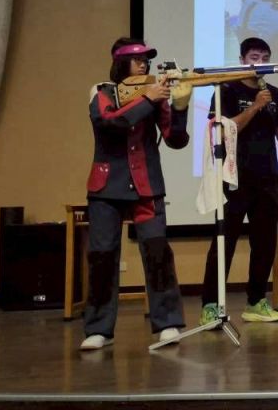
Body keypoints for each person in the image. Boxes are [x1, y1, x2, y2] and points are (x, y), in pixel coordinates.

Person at [80, 38, 193, 350]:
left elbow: (175, 139)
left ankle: (168, 322)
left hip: (147, 185)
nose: (144, 64)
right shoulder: (102, 91)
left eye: (146, 59)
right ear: (121, 63)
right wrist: (148, 98)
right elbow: (108, 122)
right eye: (137, 59)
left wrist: (180, 107)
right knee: (102, 256)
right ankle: (98, 328)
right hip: (106, 187)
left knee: (157, 252)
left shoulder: (154, 95)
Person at [200, 37, 278, 324]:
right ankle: (210, 305)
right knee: (224, 243)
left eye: (265, 57)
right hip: (234, 178)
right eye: (254, 57)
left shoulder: (276, 95)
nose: (260, 62)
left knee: (265, 243)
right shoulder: (226, 90)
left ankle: (256, 302)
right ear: (242, 59)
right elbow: (223, 131)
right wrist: (255, 106)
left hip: (267, 178)